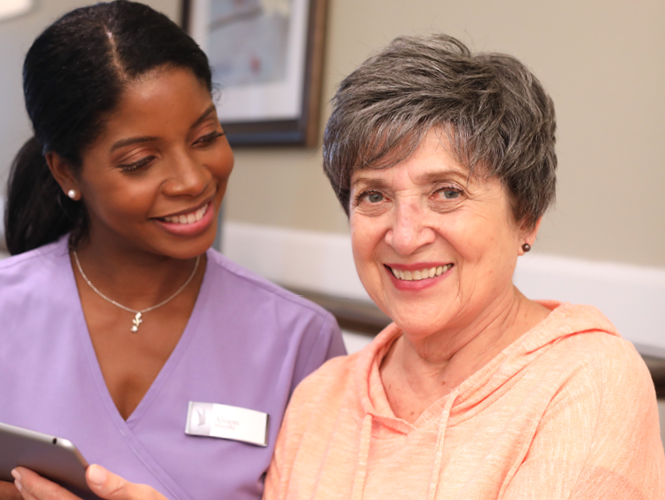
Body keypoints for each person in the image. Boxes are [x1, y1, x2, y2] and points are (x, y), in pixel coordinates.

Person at [12, 33, 665, 500]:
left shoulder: (587, 384)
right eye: (373, 195)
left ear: (526, 215)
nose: (405, 236)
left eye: (447, 192)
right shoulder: (326, 397)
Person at [0, 2, 344, 500]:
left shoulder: (300, 341)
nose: (192, 180)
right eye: (141, 161)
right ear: (66, 173)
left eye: (206, 137)